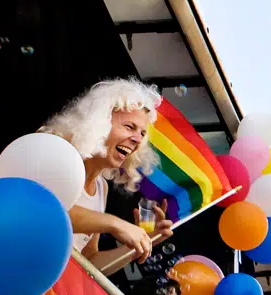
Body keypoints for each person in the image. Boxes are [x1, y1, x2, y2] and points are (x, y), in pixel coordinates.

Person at [41, 78, 173, 264]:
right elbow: (42, 209)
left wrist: (136, 245)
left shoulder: (101, 187)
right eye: (129, 127)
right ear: (97, 122)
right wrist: (114, 224)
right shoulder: (59, 154)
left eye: (142, 134)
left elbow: (89, 261)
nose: (137, 139)